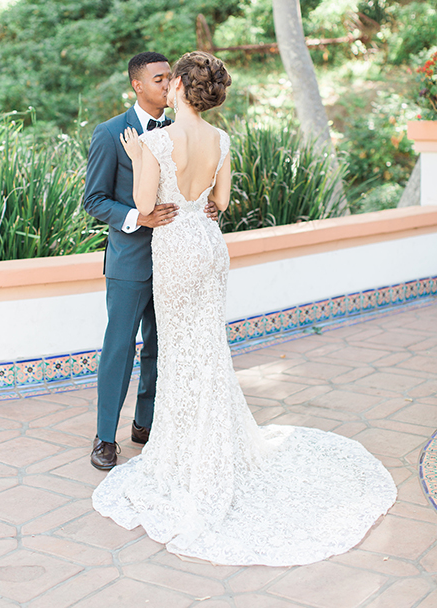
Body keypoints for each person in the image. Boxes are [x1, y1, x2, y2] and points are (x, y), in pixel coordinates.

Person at [92, 51, 396, 566]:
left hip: (175, 252)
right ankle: (153, 437)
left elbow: (148, 205)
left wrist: (145, 159)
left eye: (173, 79)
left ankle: (178, 447)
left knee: (181, 348)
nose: (166, 85)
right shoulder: (219, 139)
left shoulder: (154, 141)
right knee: (202, 345)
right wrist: (199, 202)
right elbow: (222, 203)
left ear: (181, 87)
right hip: (206, 248)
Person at [84, 51, 217, 470]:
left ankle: (145, 423)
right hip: (131, 261)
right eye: (159, 79)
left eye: (170, 78)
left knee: (162, 346)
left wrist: (210, 208)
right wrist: (138, 217)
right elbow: (94, 200)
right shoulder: (110, 134)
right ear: (138, 85)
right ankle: (106, 436)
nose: (167, 84)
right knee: (119, 348)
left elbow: (198, 186)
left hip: (177, 261)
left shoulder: (184, 131)